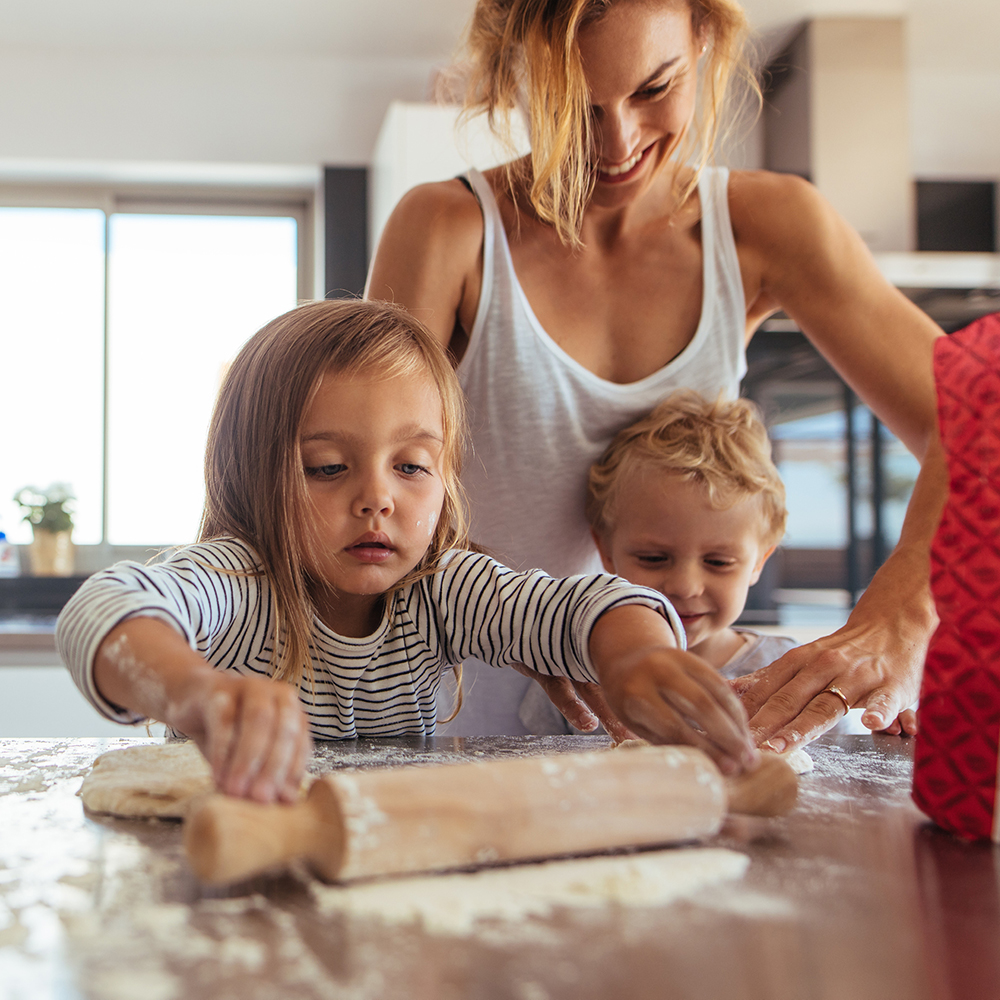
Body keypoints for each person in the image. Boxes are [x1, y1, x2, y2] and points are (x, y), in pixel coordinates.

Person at [366, 0, 944, 749]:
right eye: (572, 108)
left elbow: (974, 416)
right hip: (452, 718)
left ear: (703, 37)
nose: (618, 143)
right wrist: (556, 628)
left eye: (653, 89)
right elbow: (367, 490)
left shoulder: (764, 226)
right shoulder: (447, 229)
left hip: (648, 731)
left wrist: (900, 616)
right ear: (514, 79)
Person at [56, 299, 758, 805]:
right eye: (328, 467)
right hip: (226, 856)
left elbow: (578, 604)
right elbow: (106, 609)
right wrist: (194, 694)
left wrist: (633, 657)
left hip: (377, 865)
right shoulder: (241, 582)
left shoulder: (442, 589)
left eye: (412, 466)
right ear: (250, 475)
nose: (377, 498)